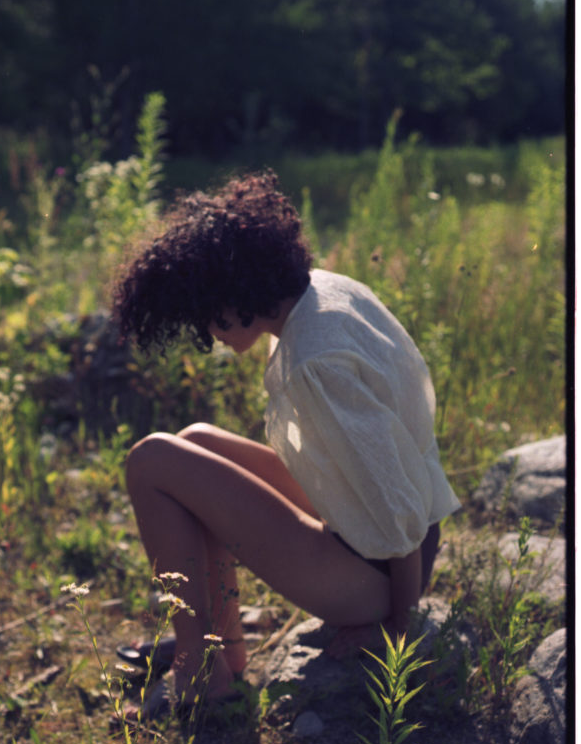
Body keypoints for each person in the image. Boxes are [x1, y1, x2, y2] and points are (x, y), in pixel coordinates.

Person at [111, 170, 460, 709]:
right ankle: (217, 649)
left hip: (373, 576)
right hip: (375, 541)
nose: (210, 337)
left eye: (208, 317)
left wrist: (394, 626)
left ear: (235, 294)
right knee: (194, 439)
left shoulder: (315, 363)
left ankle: (200, 668)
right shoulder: (325, 290)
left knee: (151, 460)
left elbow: (397, 512)